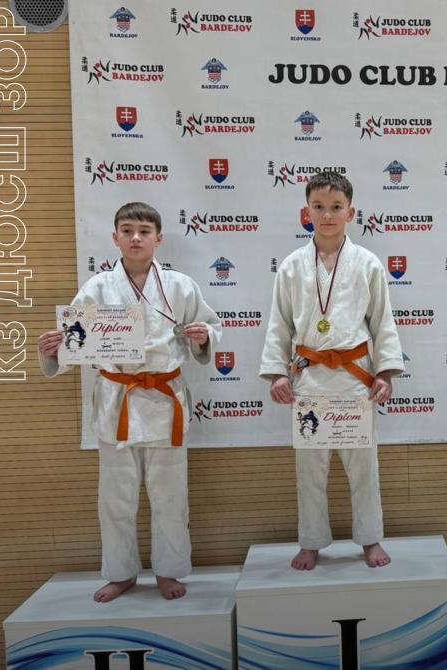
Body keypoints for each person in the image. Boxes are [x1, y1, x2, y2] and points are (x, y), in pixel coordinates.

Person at [37, 202, 222, 602]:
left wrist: (203, 336)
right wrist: (54, 349)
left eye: (143, 231)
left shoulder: (181, 286)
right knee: (115, 499)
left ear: (158, 238)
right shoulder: (97, 288)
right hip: (116, 403)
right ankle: (121, 574)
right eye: (127, 230)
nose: (135, 238)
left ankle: (169, 571)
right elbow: (76, 342)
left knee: (170, 496)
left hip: (164, 403)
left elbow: (211, 326)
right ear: (115, 237)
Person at [260, 171, 404, 570]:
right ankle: (311, 542)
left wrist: (385, 373)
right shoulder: (292, 266)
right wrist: (278, 374)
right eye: (319, 207)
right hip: (308, 379)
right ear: (306, 212)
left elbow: (383, 322)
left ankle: (370, 539)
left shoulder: (368, 263)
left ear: (350, 213)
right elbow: (279, 324)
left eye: (336, 207)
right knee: (309, 469)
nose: (327, 215)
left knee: (364, 467)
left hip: (356, 378)